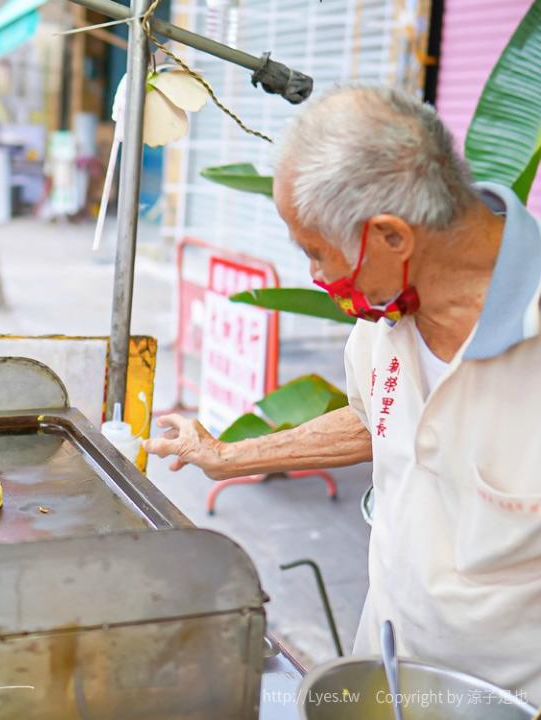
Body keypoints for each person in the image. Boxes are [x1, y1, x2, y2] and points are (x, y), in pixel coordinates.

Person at [145, 85, 541, 703]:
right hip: (383, 666)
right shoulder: (384, 315)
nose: (315, 278)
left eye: (315, 252)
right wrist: (224, 455)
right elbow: (372, 423)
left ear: (391, 237)